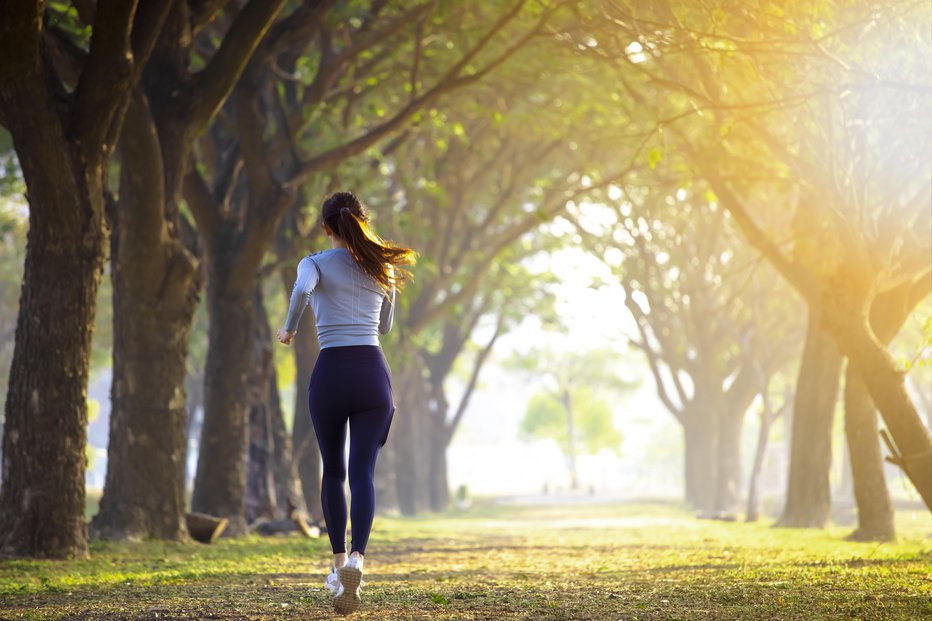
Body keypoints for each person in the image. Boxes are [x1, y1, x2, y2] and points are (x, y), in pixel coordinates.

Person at [277, 192, 416, 615]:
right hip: (373, 373)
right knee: (363, 473)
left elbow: (302, 290)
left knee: (333, 470)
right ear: (362, 222)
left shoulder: (314, 263)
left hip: (332, 372)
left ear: (326, 227)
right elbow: (386, 325)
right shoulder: (382, 266)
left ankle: (338, 569)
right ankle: (359, 558)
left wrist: (289, 329)